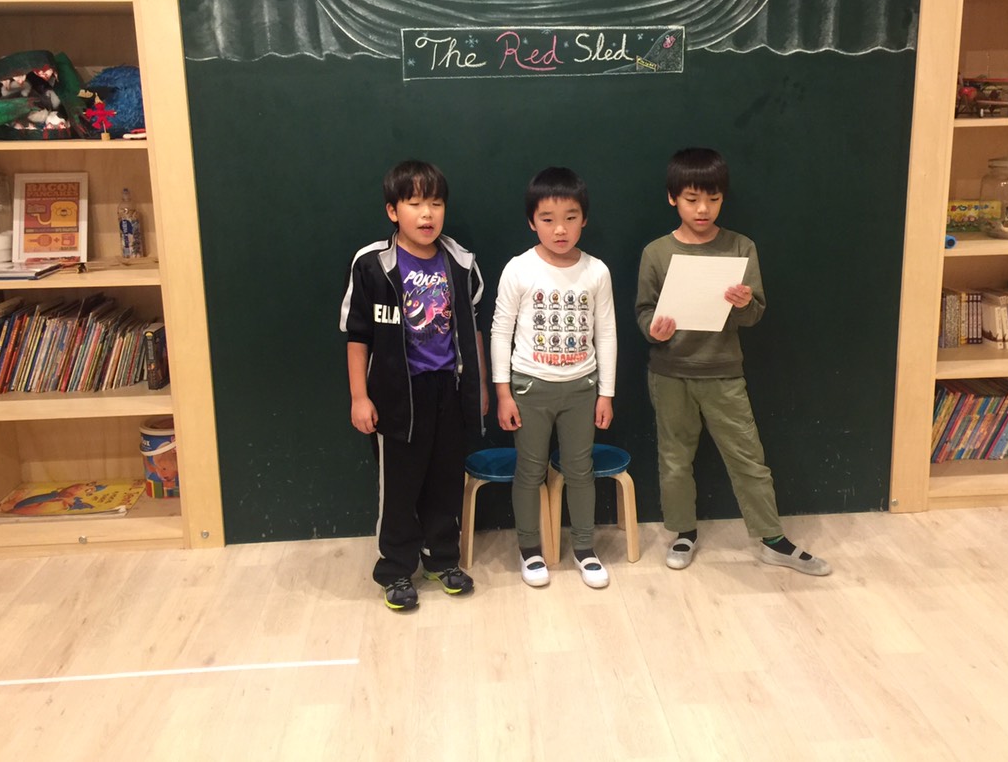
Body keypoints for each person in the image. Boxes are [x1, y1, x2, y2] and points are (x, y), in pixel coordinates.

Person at [635, 147, 831, 576]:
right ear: (672, 198)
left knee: (748, 458)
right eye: (691, 199)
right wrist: (655, 329)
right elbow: (644, 312)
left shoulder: (740, 246)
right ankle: (683, 532)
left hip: (723, 371)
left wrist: (743, 304)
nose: (703, 209)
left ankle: (772, 539)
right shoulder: (657, 252)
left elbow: (754, 314)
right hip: (670, 373)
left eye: (713, 199)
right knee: (674, 459)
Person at [340, 159, 488, 611]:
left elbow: (473, 329)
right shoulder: (372, 265)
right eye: (415, 203)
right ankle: (396, 569)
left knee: (446, 480)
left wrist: (479, 386)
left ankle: (442, 559)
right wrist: (359, 397)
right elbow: (357, 336)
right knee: (400, 488)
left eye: (436, 203)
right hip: (396, 397)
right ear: (393, 211)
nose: (427, 214)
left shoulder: (461, 262)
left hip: (449, 390)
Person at [491, 167, 617, 589]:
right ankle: (530, 550)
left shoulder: (596, 271)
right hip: (530, 387)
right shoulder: (519, 269)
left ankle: (585, 548)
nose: (559, 229)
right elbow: (500, 331)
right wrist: (503, 393)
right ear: (532, 221)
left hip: (582, 388)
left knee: (581, 470)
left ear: (584, 219)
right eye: (548, 219)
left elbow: (606, 333)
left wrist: (606, 393)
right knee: (530, 471)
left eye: (570, 217)